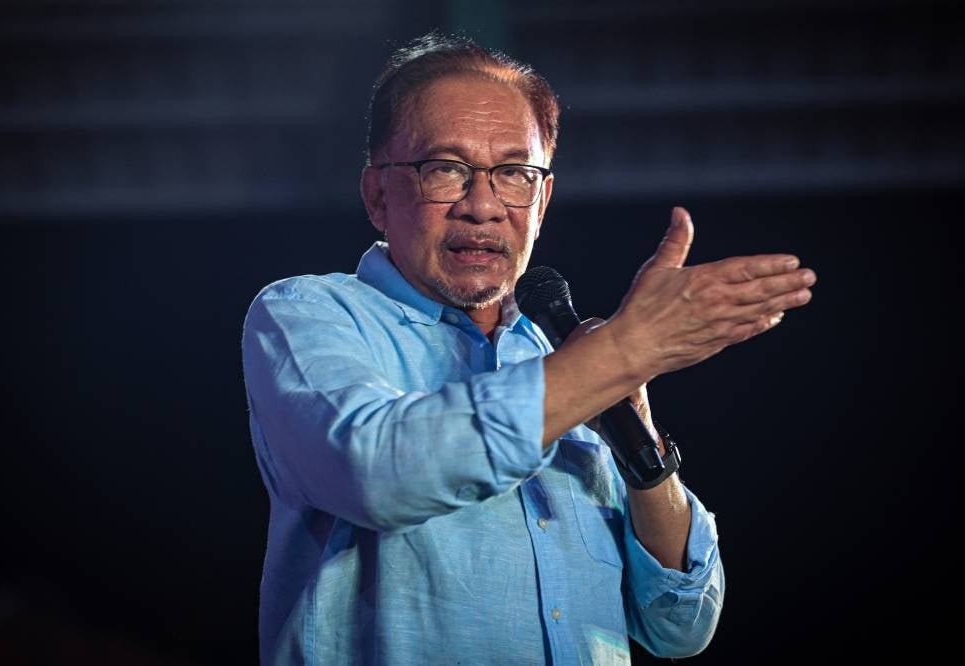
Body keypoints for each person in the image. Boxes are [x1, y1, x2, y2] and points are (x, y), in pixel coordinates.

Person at [242, 32, 815, 665]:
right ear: (377, 194)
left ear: (541, 199)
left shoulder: (565, 356)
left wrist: (642, 450)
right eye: (446, 170)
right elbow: (380, 473)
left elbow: (681, 622)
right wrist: (621, 353)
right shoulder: (309, 313)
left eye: (514, 173)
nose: (483, 205)